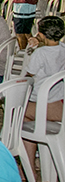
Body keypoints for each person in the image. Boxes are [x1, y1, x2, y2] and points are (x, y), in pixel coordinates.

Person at [22, 16, 65, 172]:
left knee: (21, 117)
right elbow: (51, 47)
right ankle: (42, 156)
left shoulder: (40, 54)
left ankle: (29, 166)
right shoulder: (63, 49)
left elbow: (29, 75)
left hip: (41, 103)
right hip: (58, 104)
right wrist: (38, 40)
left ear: (42, 34)